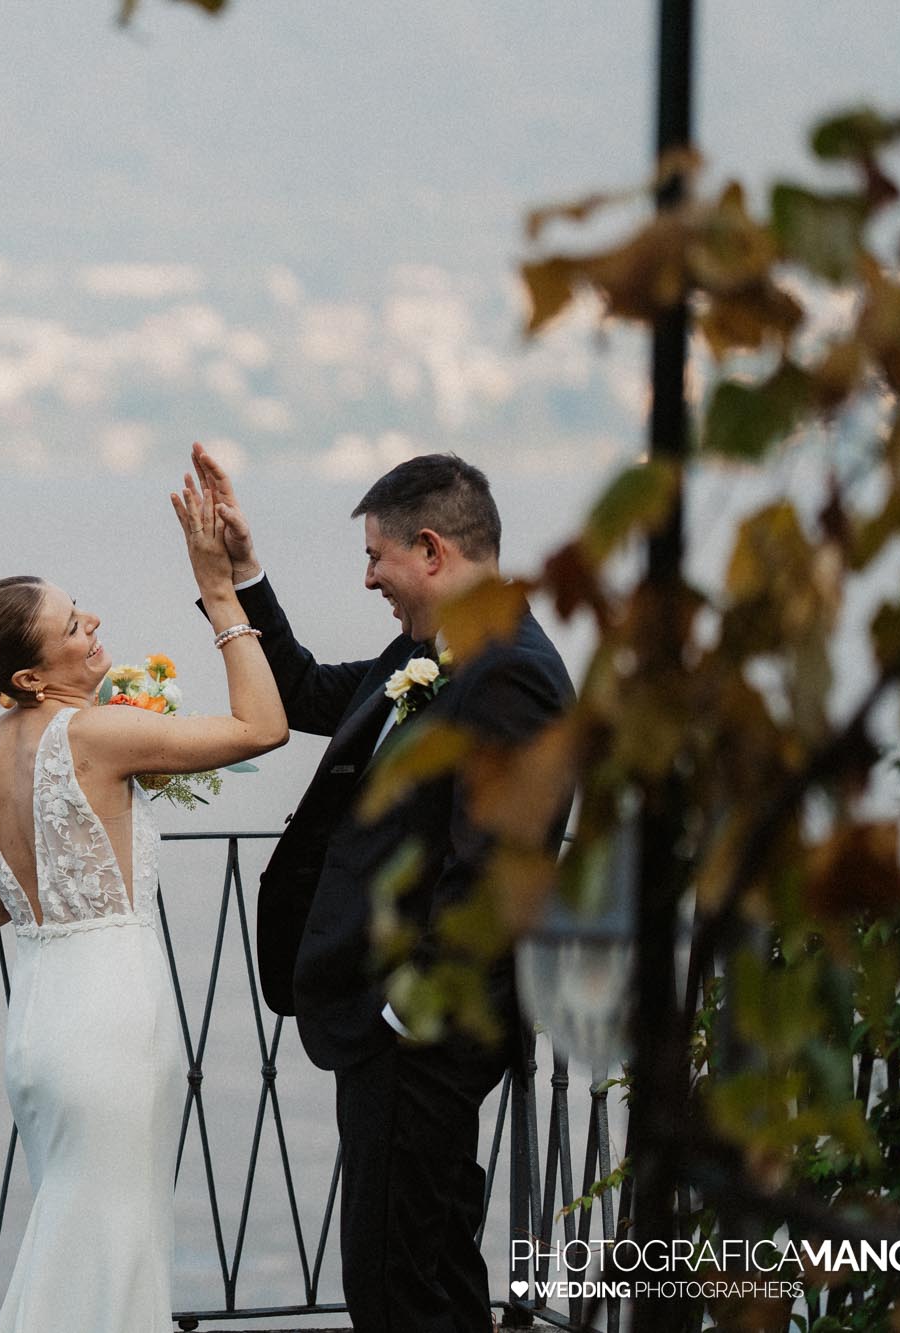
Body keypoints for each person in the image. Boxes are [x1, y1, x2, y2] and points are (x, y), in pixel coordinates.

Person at [191, 442, 574, 1333]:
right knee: (429, 1267)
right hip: (399, 1031)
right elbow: (301, 691)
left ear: (431, 550)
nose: (369, 578)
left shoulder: (509, 668)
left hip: (422, 1036)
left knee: (392, 1285)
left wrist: (399, 1017)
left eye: (376, 556)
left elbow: (495, 871)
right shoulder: (438, 650)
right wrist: (241, 572)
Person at [0, 479, 287, 1331]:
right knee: (115, 1239)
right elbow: (263, 726)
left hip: (38, 1024)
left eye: (81, 611)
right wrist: (222, 598)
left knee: (74, 1229)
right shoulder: (97, 733)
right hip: (111, 1015)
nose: (92, 624)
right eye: (72, 626)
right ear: (29, 675)